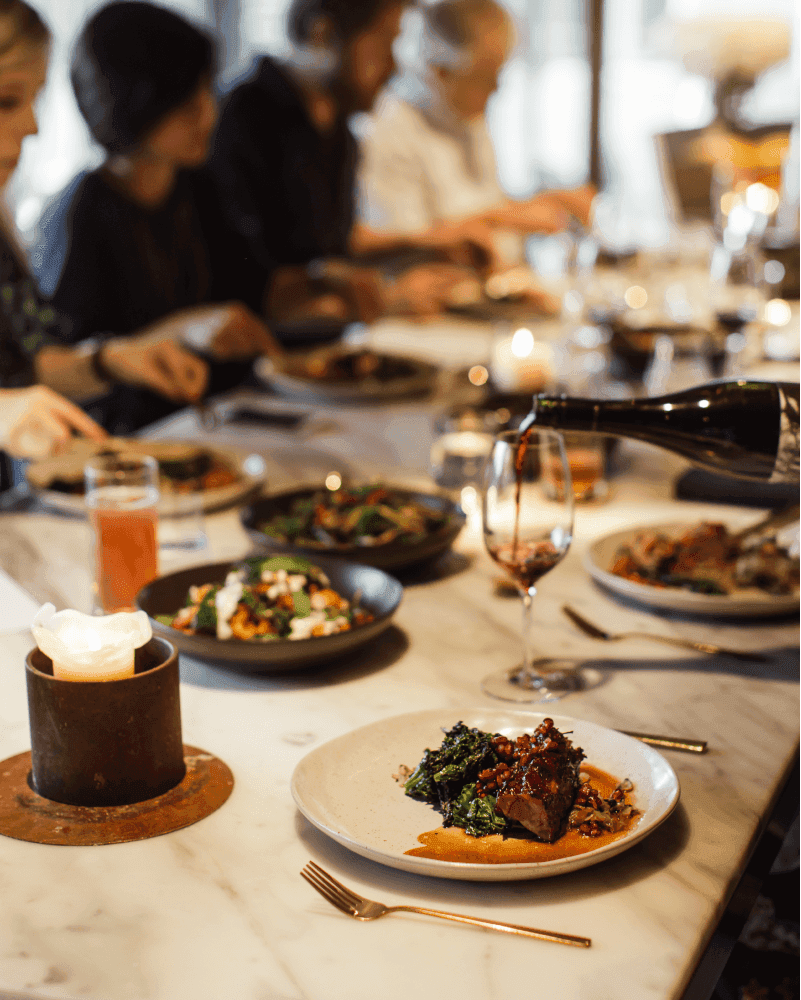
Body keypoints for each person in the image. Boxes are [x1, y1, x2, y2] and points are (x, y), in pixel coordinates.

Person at [36, 1, 279, 434]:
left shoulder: (201, 187)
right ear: (136, 105)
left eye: (207, 91)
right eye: (185, 103)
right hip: (125, 443)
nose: (208, 113)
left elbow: (252, 293)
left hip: (203, 423)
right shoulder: (81, 213)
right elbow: (61, 364)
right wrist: (188, 328)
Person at [0, 0, 210, 463]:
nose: (32, 127)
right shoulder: (80, 211)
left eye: (34, 101)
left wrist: (113, 360)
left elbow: (23, 369)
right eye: (7, 101)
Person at [210, 0, 480, 320]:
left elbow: (331, 251)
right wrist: (383, 296)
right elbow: (247, 282)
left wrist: (429, 247)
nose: (393, 67)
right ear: (320, 32)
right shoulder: (239, 121)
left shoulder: (338, 131)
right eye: (383, 44)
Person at [357, 0, 596, 268]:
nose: (496, 89)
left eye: (499, 73)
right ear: (439, 73)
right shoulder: (388, 130)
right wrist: (508, 217)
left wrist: (549, 201)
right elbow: (412, 246)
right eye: (483, 76)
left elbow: (483, 205)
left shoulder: (467, 116)